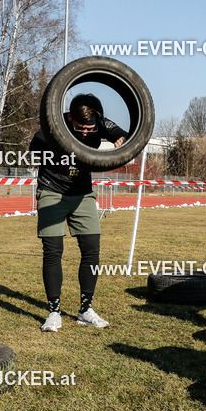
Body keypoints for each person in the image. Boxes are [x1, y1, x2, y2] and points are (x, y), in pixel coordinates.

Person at [28, 93, 127, 332]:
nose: (84, 132)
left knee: (92, 250)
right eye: (80, 128)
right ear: (70, 117)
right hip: (52, 191)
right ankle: (54, 312)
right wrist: (59, 148)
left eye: (89, 129)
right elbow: (33, 152)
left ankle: (85, 310)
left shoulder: (99, 122)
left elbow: (123, 135)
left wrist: (119, 144)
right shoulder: (53, 126)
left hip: (82, 194)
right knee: (53, 251)